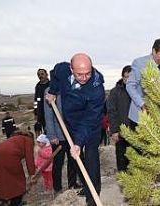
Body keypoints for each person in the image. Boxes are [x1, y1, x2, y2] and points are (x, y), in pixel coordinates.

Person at [46, 53, 105, 206]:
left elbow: (90, 119)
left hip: (91, 125)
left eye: (88, 73)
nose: (84, 78)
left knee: (91, 158)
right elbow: (55, 74)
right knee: (76, 158)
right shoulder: (63, 70)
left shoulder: (96, 88)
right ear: (71, 69)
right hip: (71, 123)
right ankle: (86, 186)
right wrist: (52, 91)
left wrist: (78, 142)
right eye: (80, 74)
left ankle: (93, 197)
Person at [126, 38, 160, 128]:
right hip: (143, 116)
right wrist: (142, 104)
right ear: (154, 51)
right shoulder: (140, 63)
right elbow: (130, 86)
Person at [44, 83, 80, 193]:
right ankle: (57, 187)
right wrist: (52, 135)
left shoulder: (72, 88)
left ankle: (72, 184)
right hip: (58, 135)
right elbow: (48, 116)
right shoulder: (50, 90)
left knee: (73, 161)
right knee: (58, 163)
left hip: (72, 133)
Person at [0, 130, 36, 206]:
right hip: (9, 155)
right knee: (18, 179)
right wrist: (32, 174)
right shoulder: (28, 139)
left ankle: (2, 199)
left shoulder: (14, 138)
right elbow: (29, 158)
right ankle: (16, 202)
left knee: (2, 178)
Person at [107, 65, 132, 171]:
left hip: (137, 132)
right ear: (122, 77)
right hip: (121, 133)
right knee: (122, 160)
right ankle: (124, 185)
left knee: (135, 161)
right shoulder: (115, 92)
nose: (128, 79)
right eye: (126, 77)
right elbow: (111, 112)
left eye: (130, 77)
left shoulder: (138, 91)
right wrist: (114, 131)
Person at [34, 68, 49, 133]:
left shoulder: (52, 84)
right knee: (45, 131)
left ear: (46, 74)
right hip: (41, 114)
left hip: (51, 112)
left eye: (42, 74)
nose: (40, 76)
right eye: (39, 75)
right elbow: (35, 101)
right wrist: (35, 112)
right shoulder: (38, 86)